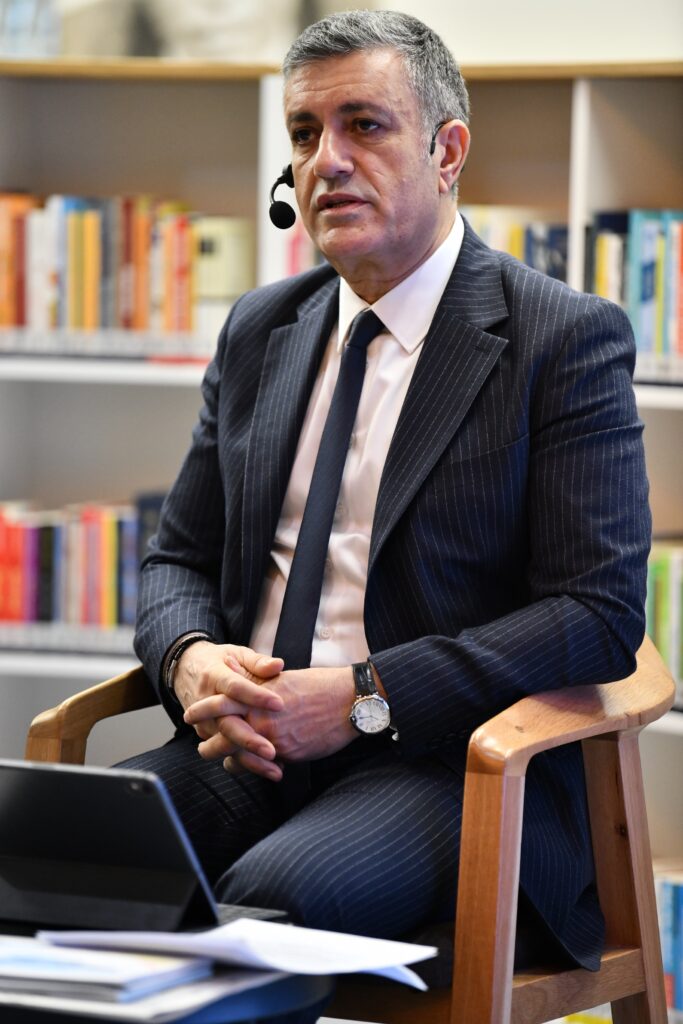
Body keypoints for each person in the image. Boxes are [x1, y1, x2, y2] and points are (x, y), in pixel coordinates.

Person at [125, 8, 650, 1020]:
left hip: (449, 763)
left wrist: (362, 698)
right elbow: (175, 560)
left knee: (263, 910)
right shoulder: (260, 328)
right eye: (303, 133)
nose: (325, 160)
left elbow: (597, 613)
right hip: (250, 749)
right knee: (56, 861)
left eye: (363, 125)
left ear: (446, 151)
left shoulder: (559, 338)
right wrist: (189, 661)